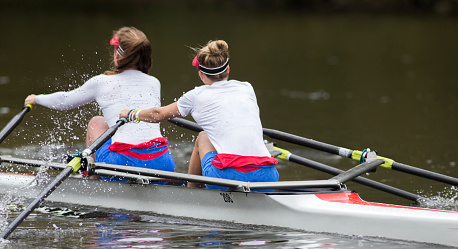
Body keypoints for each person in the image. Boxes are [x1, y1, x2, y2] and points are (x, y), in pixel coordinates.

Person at [120, 40, 278, 189]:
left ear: (200, 74)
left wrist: (132, 114)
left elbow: (158, 114)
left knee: (203, 136)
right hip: (268, 176)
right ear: (228, 69)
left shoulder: (195, 96)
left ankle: (193, 196)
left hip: (227, 177)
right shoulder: (247, 88)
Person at [24, 26, 175, 179]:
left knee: (96, 122)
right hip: (163, 164)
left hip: (121, 165)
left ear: (118, 54)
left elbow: (64, 101)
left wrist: (36, 98)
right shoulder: (154, 82)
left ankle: (93, 183)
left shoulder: (102, 82)